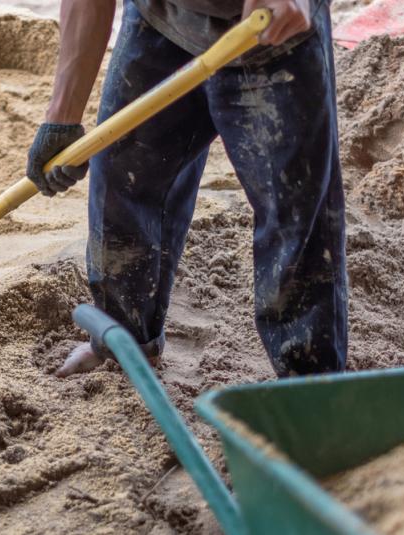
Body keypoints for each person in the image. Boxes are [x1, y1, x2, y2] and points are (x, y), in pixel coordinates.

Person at [26, 0, 347, 378]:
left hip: (270, 33)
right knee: (122, 183)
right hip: (161, 19)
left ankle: (310, 388)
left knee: (293, 221)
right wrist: (63, 114)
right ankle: (125, 344)